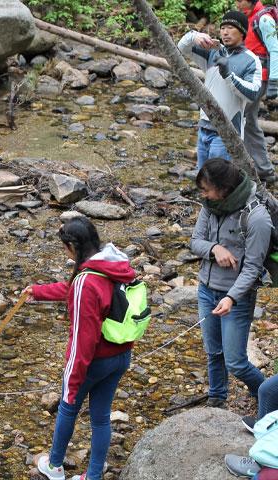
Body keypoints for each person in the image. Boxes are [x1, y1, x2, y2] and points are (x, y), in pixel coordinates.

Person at [26, 217, 135, 480]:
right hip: (120, 355)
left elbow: (82, 340)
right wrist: (39, 292)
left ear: (72, 247)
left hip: (95, 361)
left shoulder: (87, 281)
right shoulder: (110, 265)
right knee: (100, 418)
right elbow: (74, 288)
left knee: (68, 406)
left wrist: (73, 380)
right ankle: (93, 476)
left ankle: (54, 467)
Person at [190, 158, 270, 408]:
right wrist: (215, 249)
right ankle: (217, 399)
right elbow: (195, 241)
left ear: (224, 188)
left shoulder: (257, 219)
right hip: (206, 289)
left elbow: (253, 268)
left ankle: (268, 394)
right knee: (214, 352)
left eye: (205, 189)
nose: (202, 194)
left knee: (235, 361)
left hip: (237, 299)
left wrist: (231, 297)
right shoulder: (210, 205)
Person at [177, 10, 262, 169]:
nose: (225, 32)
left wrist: (228, 75)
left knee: (218, 181)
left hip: (227, 133)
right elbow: (181, 48)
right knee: (203, 178)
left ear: (242, 32)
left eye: (230, 28)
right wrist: (193, 36)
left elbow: (253, 93)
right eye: (223, 28)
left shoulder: (251, 60)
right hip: (204, 126)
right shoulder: (212, 51)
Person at [237, 0, 278, 183]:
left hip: (260, 77)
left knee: (245, 118)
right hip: (248, 76)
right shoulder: (248, 17)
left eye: (240, 0)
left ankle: (261, 169)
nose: (237, 3)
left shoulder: (263, 19)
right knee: (246, 119)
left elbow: (275, 50)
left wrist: (274, 82)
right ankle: (259, 168)